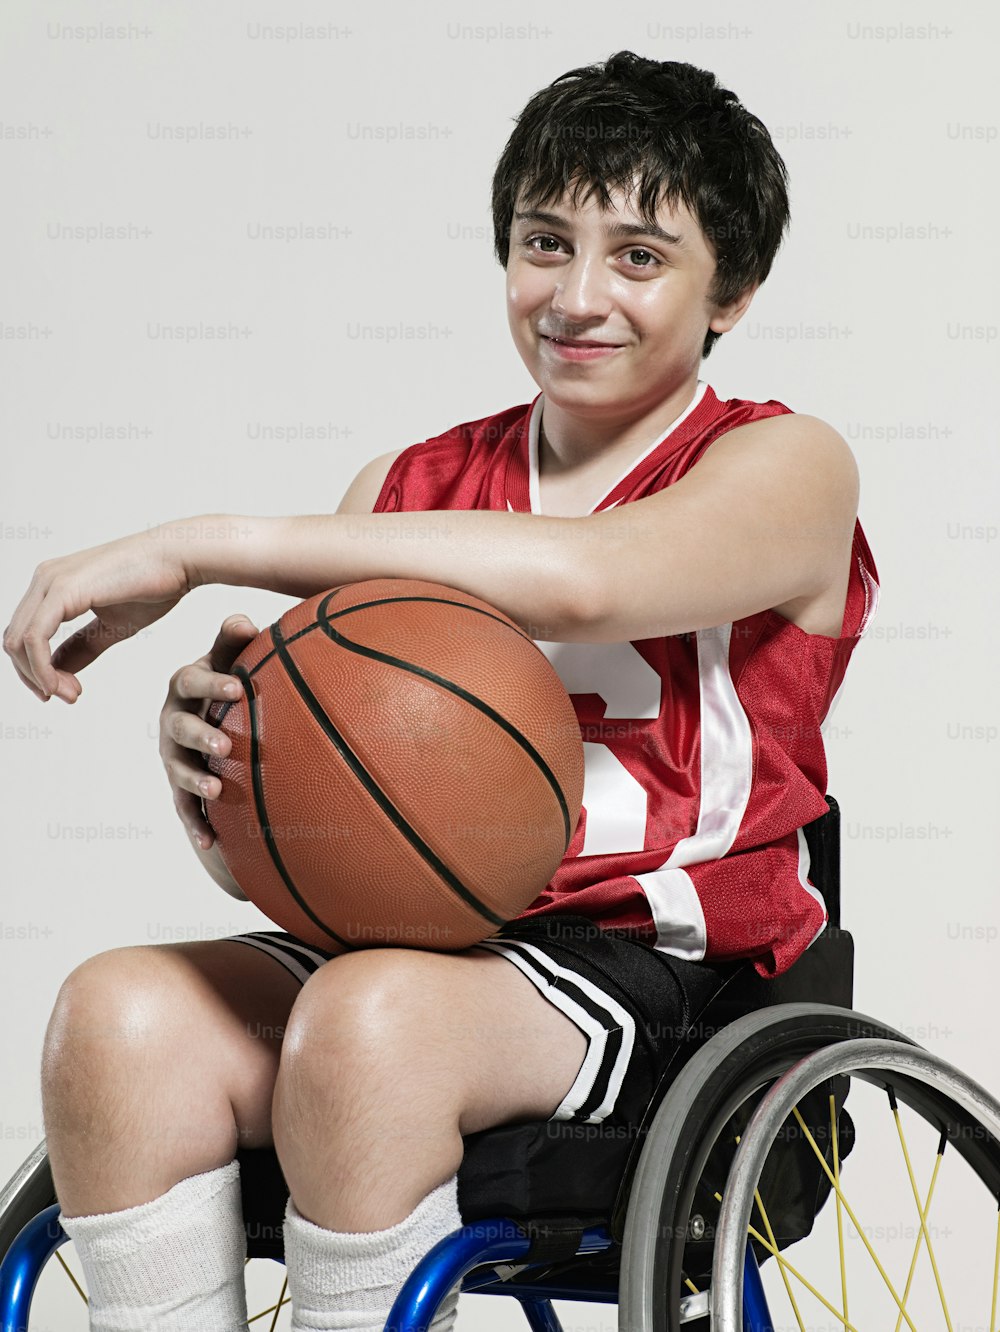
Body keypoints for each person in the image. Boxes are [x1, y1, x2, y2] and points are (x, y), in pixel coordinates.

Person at [4, 51, 877, 1332]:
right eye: (543, 242)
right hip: (413, 951)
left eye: (639, 256)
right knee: (115, 1017)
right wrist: (226, 788)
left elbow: (590, 582)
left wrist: (195, 543)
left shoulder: (784, 463)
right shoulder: (403, 490)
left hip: (663, 973)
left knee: (370, 1020)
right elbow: (322, 850)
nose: (577, 296)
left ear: (729, 292)